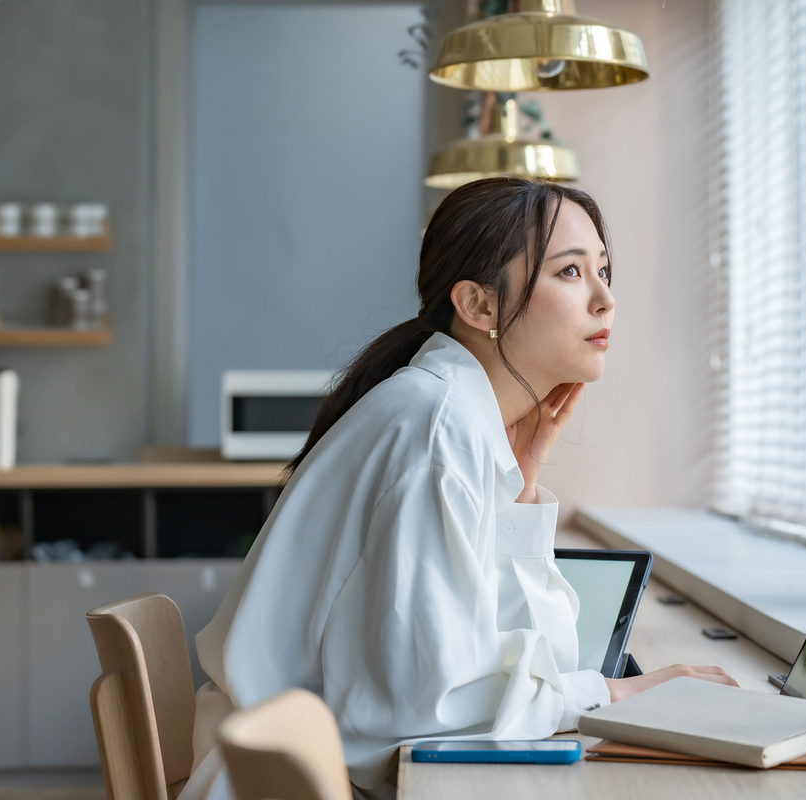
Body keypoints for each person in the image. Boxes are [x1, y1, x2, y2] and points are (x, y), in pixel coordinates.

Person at [181, 177, 738, 800]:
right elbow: (431, 704)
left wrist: (520, 496)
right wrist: (611, 694)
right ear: (479, 306)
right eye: (571, 273)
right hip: (292, 785)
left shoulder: (449, 416)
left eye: (603, 270)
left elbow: (532, 655)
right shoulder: (436, 427)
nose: (606, 299)